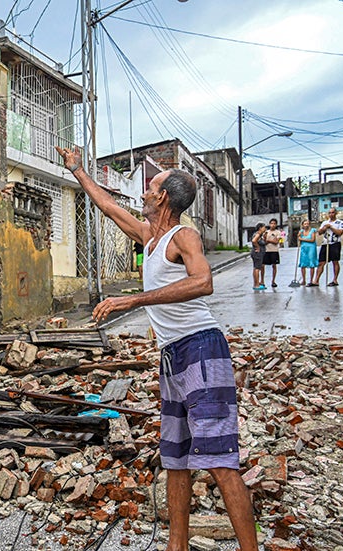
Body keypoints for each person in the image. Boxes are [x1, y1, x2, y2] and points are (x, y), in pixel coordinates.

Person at [55, 146, 258, 551]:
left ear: (163, 197)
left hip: (202, 350)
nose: (144, 193)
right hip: (172, 357)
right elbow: (108, 207)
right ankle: (176, 546)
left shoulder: (184, 235)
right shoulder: (150, 237)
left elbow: (203, 282)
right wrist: (78, 169)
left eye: (150, 187)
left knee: (218, 459)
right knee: (176, 460)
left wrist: (133, 300)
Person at [315, 208, 343, 286]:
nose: (331, 214)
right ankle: (316, 280)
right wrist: (324, 228)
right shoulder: (325, 222)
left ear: (336, 213)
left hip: (335, 243)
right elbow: (319, 232)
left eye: (332, 213)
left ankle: (335, 280)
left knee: (335, 261)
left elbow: (340, 232)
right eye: (329, 213)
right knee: (321, 262)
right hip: (325, 243)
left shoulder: (340, 222)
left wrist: (331, 227)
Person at [298, 220, 319, 286]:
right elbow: (299, 241)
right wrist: (298, 237)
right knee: (303, 264)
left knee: (311, 264)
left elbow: (312, 240)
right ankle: (304, 280)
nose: (306, 225)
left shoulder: (313, 230)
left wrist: (302, 239)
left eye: (307, 224)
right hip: (304, 248)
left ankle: (311, 280)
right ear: (302, 225)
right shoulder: (301, 232)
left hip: (311, 248)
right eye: (305, 224)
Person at [262, 218, 281, 288]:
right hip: (266, 251)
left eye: (274, 223)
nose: (272, 225)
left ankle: (273, 281)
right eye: (271, 223)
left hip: (274, 250)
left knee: (274, 266)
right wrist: (270, 240)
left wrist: (269, 240)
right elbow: (264, 241)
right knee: (262, 265)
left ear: (276, 225)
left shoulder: (278, 232)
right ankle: (262, 281)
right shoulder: (266, 232)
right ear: (269, 224)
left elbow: (276, 242)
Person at [251, 223, 266, 291]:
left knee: (255, 268)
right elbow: (254, 241)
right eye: (263, 227)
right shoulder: (258, 234)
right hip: (257, 254)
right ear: (260, 228)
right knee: (257, 268)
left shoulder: (260, 234)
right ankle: (257, 285)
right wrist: (258, 247)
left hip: (256, 253)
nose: (265, 229)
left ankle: (256, 283)